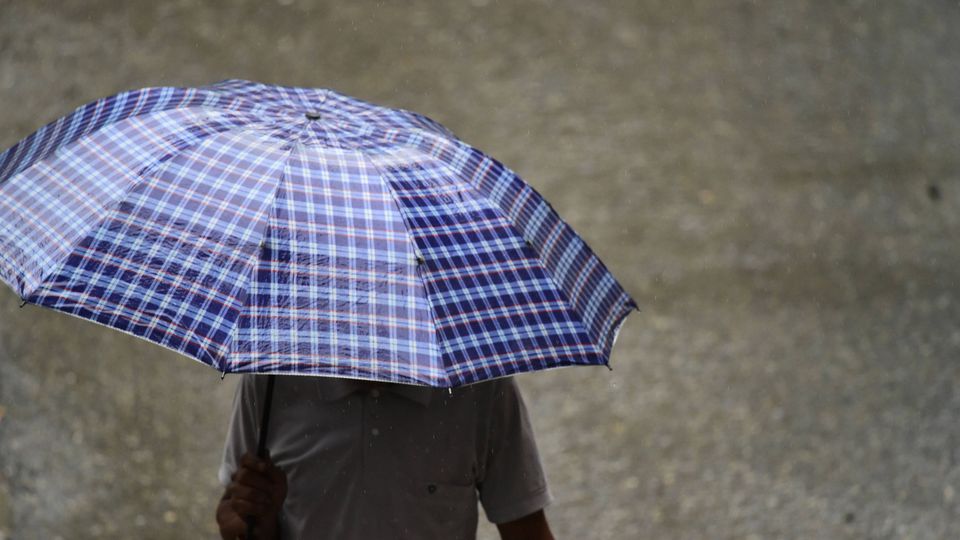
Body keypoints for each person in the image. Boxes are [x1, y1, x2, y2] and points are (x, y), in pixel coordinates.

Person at [216, 374, 556, 539]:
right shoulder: (271, 383)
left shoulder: (479, 390)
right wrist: (252, 524)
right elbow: (238, 518)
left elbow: (525, 528)